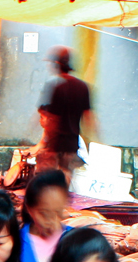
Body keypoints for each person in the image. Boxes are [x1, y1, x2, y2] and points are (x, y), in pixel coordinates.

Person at [37, 46, 90, 178]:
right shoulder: (82, 87)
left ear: (57, 65)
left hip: (57, 142)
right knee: (66, 172)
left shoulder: (57, 87)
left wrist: (47, 143)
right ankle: (64, 196)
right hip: (72, 142)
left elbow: (53, 120)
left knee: (52, 177)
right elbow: (89, 117)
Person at [18, 169, 70, 262]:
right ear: (29, 209)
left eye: (58, 212)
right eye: (45, 214)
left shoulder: (76, 240)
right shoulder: (15, 244)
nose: (53, 221)